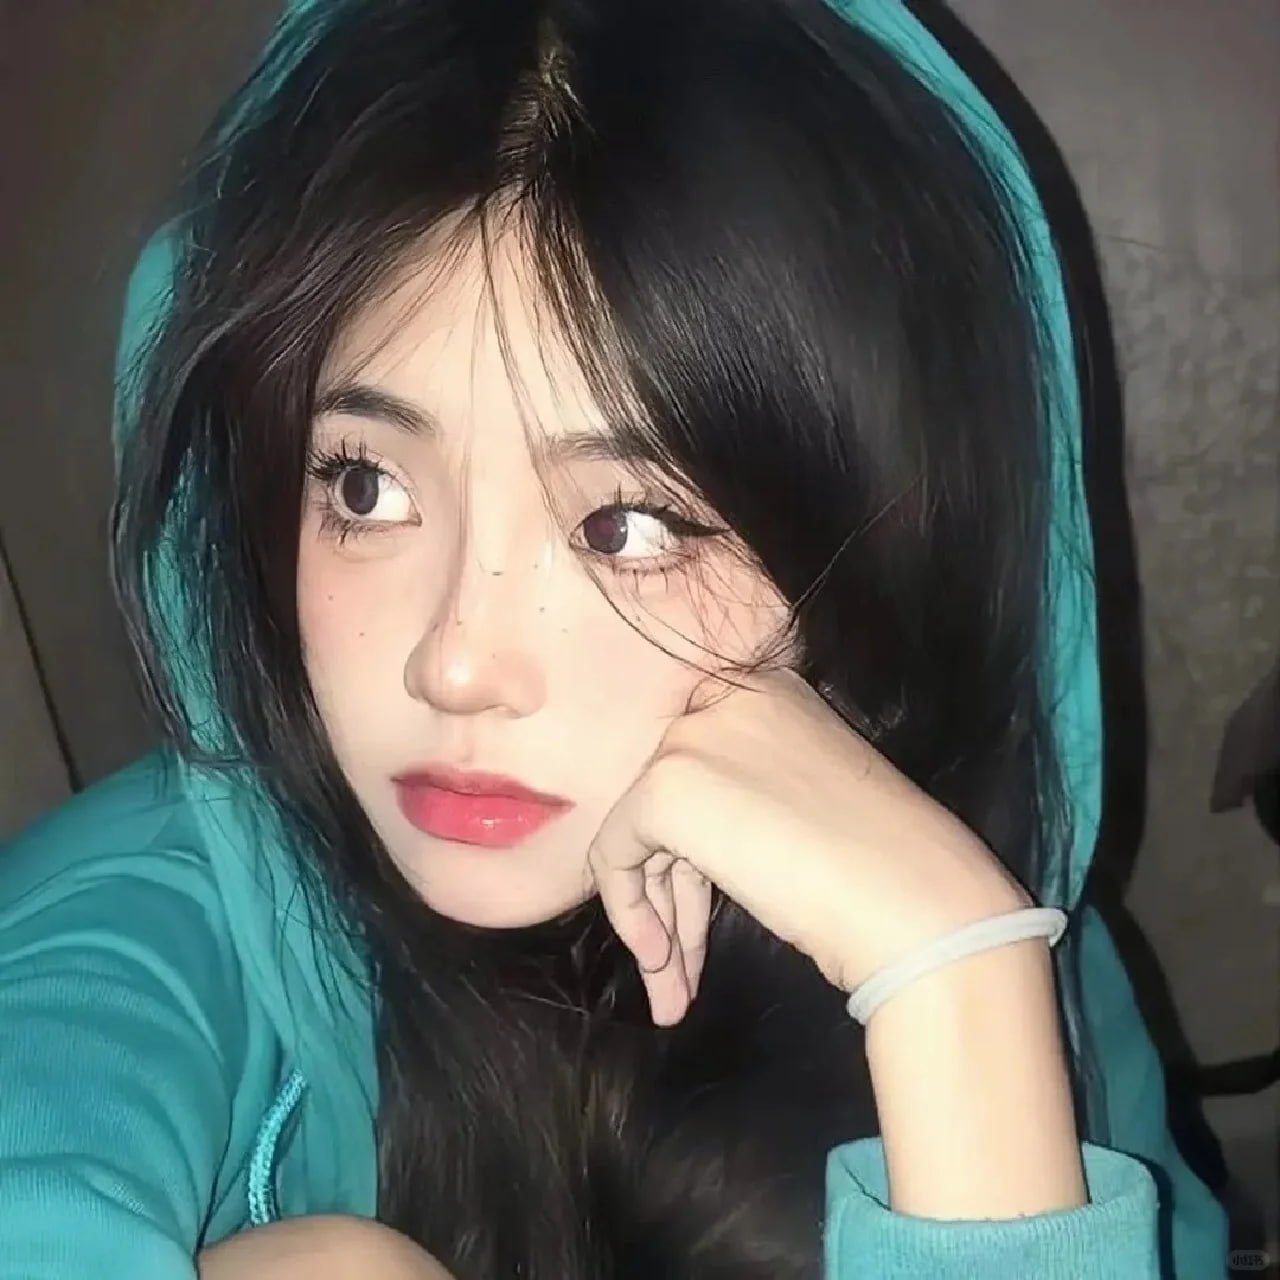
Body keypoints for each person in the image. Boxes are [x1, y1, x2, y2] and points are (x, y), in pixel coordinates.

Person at [0, 0, 1228, 1276]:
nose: (455, 663)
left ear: (865, 544)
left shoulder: (986, 930)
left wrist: (950, 982)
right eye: (363, 484)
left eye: (626, 522)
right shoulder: (133, 919)